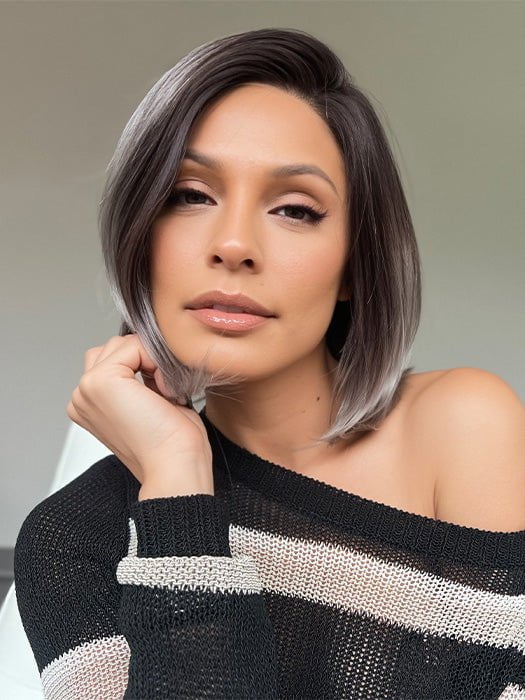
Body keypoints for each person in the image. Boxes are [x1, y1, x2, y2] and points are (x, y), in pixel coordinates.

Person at [13, 27, 525, 700]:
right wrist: (177, 481)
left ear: (353, 266)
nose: (233, 245)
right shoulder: (75, 540)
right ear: (140, 236)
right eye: (189, 195)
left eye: (294, 210)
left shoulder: (462, 426)